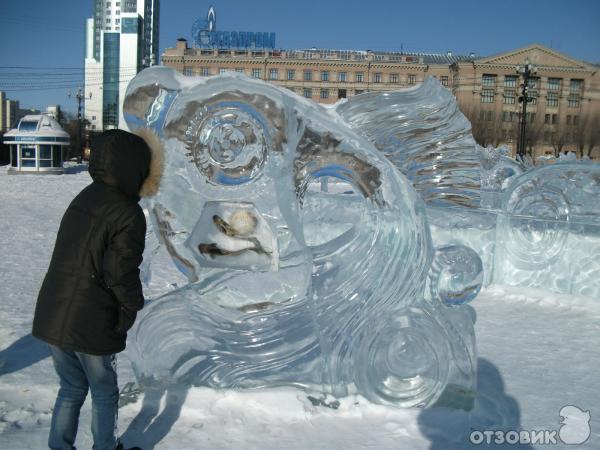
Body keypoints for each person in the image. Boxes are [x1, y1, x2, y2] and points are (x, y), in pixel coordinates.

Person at [32, 128, 164, 450]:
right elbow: (120, 271)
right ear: (136, 167)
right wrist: (131, 306)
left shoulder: (85, 196)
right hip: (90, 318)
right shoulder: (128, 212)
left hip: (53, 310)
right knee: (104, 391)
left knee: (71, 388)